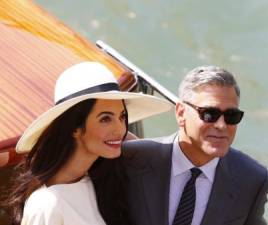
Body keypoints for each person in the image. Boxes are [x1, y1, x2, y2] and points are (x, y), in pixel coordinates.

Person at [4, 62, 172, 225]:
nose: (120, 129)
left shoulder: (97, 179)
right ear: (74, 128)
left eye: (122, 117)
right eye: (105, 119)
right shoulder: (47, 205)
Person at [123, 65, 268, 225]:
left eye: (231, 116)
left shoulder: (252, 179)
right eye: (209, 114)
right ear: (181, 113)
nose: (221, 126)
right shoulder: (129, 160)